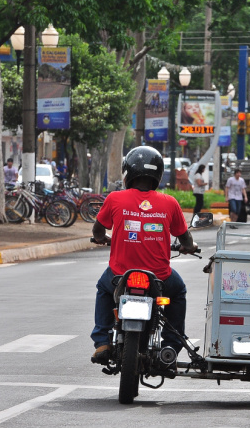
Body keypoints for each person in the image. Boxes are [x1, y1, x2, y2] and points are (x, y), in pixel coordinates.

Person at [90, 146, 198, 365]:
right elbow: (184, 237)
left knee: (103, 288)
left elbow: (97, 231)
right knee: (178, 292)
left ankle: (102, 341)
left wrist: (102, 238)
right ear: (157, 174)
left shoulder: (115, 199)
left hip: (120, 275)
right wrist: (190, 246)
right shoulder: (170, 203)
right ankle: (170, 345)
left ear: (128, 171)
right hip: (159, 278)